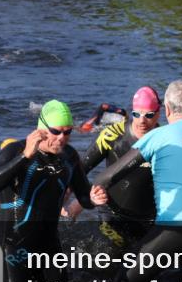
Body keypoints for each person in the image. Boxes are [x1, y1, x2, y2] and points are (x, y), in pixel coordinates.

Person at [91, 80, 182, 282]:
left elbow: (108, 177)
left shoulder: (158, 136)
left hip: (175, 226)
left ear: (167, 109)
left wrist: (94, 192)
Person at [0, 100, 97, 282]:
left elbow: (85, 198)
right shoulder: (13, 151)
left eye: (67, 132)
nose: (62, 138)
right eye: (56, 131)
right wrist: (25, 156)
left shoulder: (69, 156)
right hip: (14, 245)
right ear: (41, 129)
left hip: (49, 242)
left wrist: (94, 197)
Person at [64, 86, 161, 255]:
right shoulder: (112, 135)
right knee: (110, 262)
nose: (142, 121)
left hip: (150, 219)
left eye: (149, 115)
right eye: (137, 114)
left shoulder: (165, 140)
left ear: (159, 113)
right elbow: (81, 169)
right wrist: (67, 198)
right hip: (112, 215)